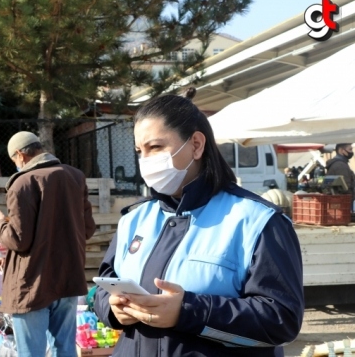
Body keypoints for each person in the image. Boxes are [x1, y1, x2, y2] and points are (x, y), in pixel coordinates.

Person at [94, 94, 304, 356]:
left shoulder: (258, 221)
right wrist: (112, 308)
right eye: (140, 151)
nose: (145, 161)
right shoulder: (134, 219)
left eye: (156, 147)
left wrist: (188, 310)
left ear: (195, 144)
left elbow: (281, 319)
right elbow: (104, 286)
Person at [0, 131, 96, 357]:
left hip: (32, 285)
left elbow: (19, 240)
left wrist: (0, 225)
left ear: (20, 155)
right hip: (68, 278)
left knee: (32, 353)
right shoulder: (75, 176)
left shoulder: (22, 183)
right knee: (65, 349)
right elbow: (87, 229)